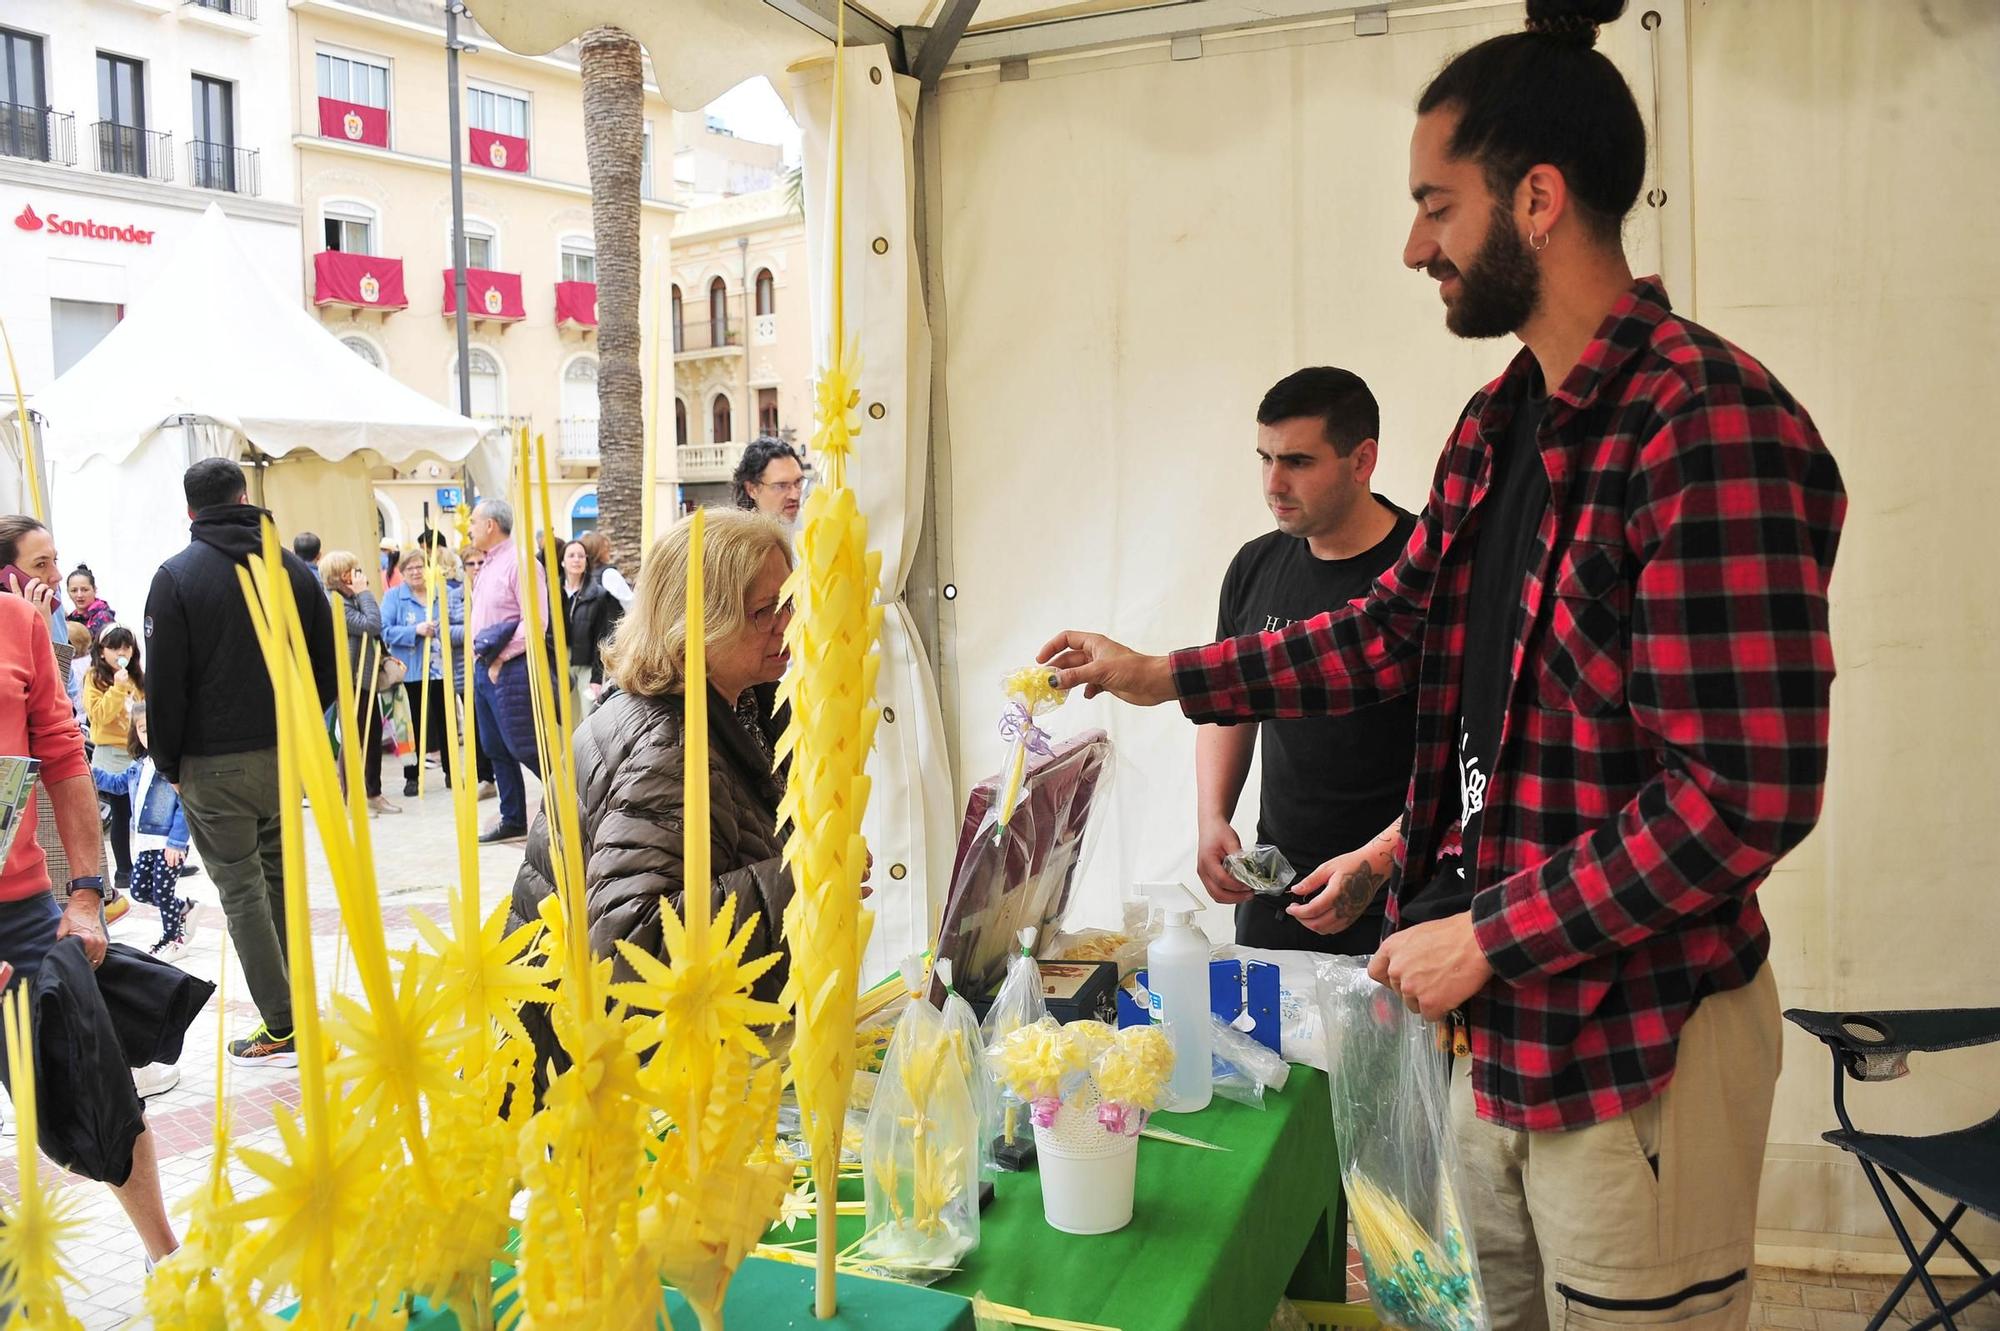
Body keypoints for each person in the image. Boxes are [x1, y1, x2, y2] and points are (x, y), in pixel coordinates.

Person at [1038, 4, 1846, 1326]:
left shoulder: (1708, 427)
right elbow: (1390, 628)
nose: (1415, 245)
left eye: (1436, 205)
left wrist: (1489, 932)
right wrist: (1165, 672)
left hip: (1635, 1038)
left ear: (1536, 200)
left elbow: (1744, 792)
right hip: (1494, 1031)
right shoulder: (1497, 422)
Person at [509, 509, 798, 1052]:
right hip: (601, 1076)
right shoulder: (669, 744)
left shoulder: (737, 706)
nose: (788, 622)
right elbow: (633, 942)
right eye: (764, 611)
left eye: (790, 602)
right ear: (699, 622)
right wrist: (802, 881)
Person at [1196, 368, 1418, 955]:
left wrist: (1377, 865)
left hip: (1401, 897)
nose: (1274, 483)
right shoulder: (1254, 566)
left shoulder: (1425, 571)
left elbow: (1474, 748)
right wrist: (1212, 815)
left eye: (1297, 461)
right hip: (1278, 892)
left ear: (1362, 459)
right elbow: (1229, 703)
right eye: (1264, 458)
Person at [0, 589, 181, 1265]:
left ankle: (167, 1255)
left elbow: (61, 753)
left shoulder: (15, 622)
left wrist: (84, 891)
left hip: (19, 910)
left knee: (97, 1086)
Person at [145, 457, 339, 1067]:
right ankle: (297, 1009)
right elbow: (327, 670)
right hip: (284, 756)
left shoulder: (176, 576)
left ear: (190, 511)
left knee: (243, 891)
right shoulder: (291, 569)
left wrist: (169, 762)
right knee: (278, 879)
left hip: (213, 761)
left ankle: (283, 1022)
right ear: (246, 495)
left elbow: (165, 686)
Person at [466, 498, 548, 843]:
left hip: (510, 668)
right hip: (484, 668)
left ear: (490, 525)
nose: (467, 528)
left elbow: (536, 621)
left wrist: (501, 659)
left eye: (472, 521)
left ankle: (572, 805)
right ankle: (512, 818)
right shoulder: (487, 565)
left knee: (526, 746)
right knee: (494, 746)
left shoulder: (521, 563)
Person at [95, 703, 196, 961]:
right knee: (139, 889)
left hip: (168, 843)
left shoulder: (173, 767)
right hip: (146, 842)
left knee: (162, 892)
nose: (148, 735)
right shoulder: (139, 765)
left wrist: (176, 842)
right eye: (142, 729)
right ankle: (183, 908)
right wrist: (88, 770)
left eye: (152, 729)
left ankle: (173, 938)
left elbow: (185, 804)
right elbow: (118, 785)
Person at [381, 547, 465, 797]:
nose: (416, 572)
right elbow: (385, 630)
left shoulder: (441, 593)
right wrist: (414, 631)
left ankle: (451, 771)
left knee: (447, 722)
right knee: (412, 724)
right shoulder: (394, 597)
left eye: (420, 567)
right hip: (410, 671)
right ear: (402, 572)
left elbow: (456, 622)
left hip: (440, 670)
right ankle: (412, 776)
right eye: (410, 569)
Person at [321, 551, 396, 817]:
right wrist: (365, 593)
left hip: (365, 678)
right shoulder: (336, 603)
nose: (359, 574)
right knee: (353, 737)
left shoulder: (351, 600)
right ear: (342, 575)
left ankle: (373, 792)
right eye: (354, 569)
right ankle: (351, 797)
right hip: (349, 679)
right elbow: (373, 624)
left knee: (372, 732)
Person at [83, 624, 146, 892]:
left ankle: (153, 864)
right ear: (102, 650)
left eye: (127, 646)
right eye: (115, 647)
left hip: (138, 753)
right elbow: (98, 715)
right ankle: (124, 870)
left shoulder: (137, 677)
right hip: (110, 754)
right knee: (122, 811)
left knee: (146, 811)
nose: (122, 652)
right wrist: (117, 689)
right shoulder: (94, 677)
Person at [562, 539, 623, 721]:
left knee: (588, 716)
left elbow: (602, 636)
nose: (576, 560)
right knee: (565, 718)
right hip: (562, 663)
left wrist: (597, 677)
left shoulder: (598, 594)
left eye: (581, 556)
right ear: (563, 561)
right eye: (571, 555)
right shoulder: (553, 592)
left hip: (587, 664)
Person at [456, 543, 498, 800]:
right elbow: (445, 629)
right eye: (470, 564)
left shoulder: (493, 591)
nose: (476, 568)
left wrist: (479, 634)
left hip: (491, 665)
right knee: (474, 724)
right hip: (464, 669)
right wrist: (476, 634)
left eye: (480, 563)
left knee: (496, 727)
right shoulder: (455, 596)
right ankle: (484, 776)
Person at [731, 437, 807, 524]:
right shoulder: (736, 536)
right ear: (752, 489)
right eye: (781, 486)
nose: (795, 496)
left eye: (798, 482)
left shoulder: (814, 529)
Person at [578, 529, 634, 611]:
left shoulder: (580, 575)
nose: (609, 551)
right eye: (606, 548)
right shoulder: (609, 574)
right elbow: (629, 604)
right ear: (598, 551)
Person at [65, 563, 115, 637]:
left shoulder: (103, 617)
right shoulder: (70, 619)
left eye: (84, 590)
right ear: (68, 592)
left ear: (94, 589)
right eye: (74, 590)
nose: (79, 595)